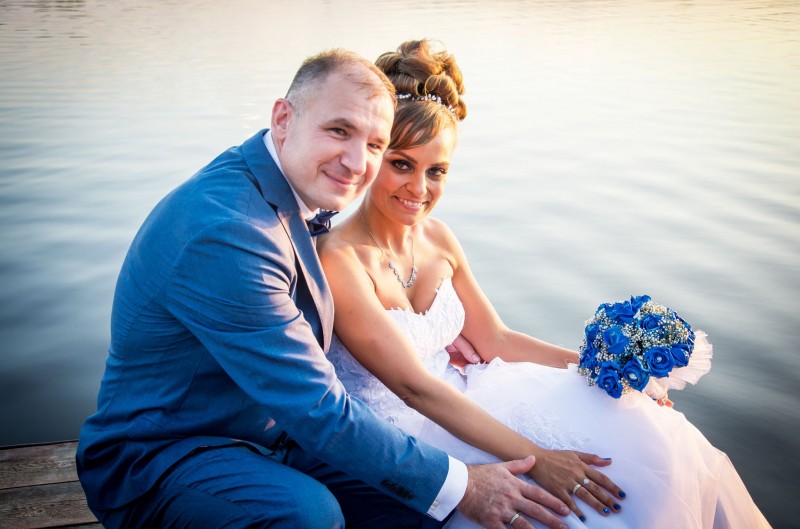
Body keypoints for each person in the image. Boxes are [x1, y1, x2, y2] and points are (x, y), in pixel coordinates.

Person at [76, 48, 575, 529]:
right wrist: (465, 486)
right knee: (309, 515)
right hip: (164, 453)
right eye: (340, 130)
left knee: (417, 506)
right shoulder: (231, 233)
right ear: (283, 119)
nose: (357, 162)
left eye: (375, 145)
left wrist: (434, 337)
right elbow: (317, 408)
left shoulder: (285, 186)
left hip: (272, 430)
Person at [318, 40, 773, 529]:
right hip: (408, 438)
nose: (419, 188)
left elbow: (496, 339)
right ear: (373, 153)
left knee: (653, 435)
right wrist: (538, 458)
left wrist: (601, 370)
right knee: (574, 508)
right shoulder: (340, 259)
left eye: (437, 171)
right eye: (402, 164)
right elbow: (414, 389)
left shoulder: (438, 238)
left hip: (472, 395)